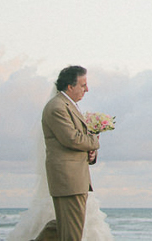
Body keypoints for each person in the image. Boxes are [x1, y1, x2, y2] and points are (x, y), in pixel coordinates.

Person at [41, 65, 101, 241]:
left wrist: (91, 153)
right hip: (68, 180)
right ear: (70, 86)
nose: (87, 89)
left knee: (64, 225)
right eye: (83, 85)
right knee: (71, 232)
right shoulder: (57, 107)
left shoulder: (69, 105)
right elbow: (72, 139)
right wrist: (95, 142)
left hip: (75, 178)